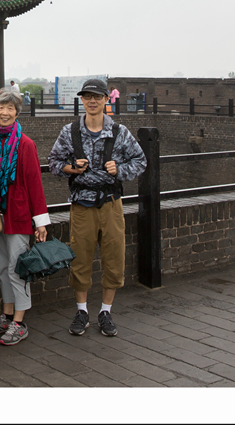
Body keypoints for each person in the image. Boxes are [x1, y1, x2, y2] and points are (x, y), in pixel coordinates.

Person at [48, 78, 146, 338]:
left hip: (111, 203)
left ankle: (105, 311)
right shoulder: (70, 132)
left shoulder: (119, 132)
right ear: (82, 100)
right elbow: (54, 162)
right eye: (87, 96)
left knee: (114, 258)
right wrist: (72, 168)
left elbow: (140, 160)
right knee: (80, 258)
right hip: (82, 204)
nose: (92, 101)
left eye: (97, 96)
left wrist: (119, 170)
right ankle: (82, 311)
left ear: (106, 99)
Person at [0, 88, 50, 346]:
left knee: (17, 269)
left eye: (10, 108)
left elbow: (34, 183)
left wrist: (40, 222)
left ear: (17, 112)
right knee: (2, 268)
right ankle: (7, 315)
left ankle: (19, 322)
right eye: (1, 107)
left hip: (18, 215)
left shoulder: (26, 144)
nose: (5, 112)